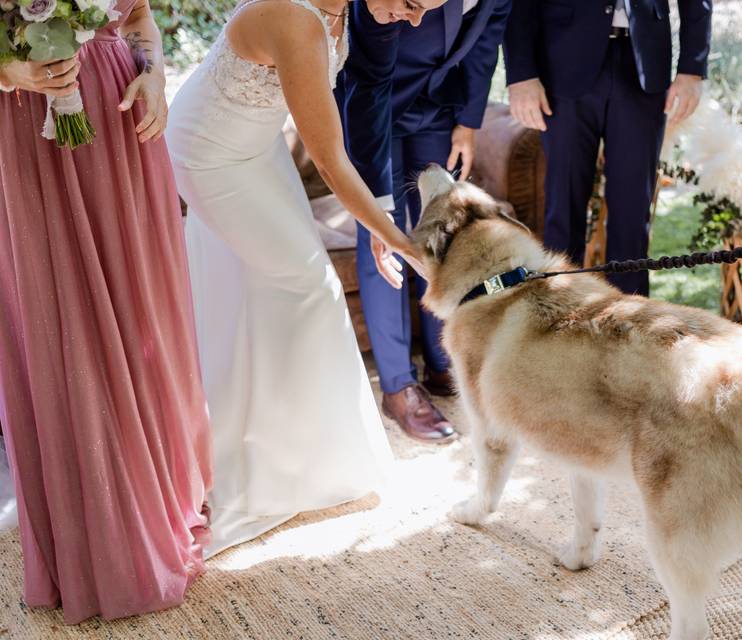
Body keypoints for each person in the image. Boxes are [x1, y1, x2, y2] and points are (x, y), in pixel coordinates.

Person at [166, 0, 443, 557]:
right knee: (307, 288)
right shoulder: (295, 17)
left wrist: (382, 225)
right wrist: (401, 243)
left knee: (254, 290)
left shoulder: (348, 11)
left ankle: (279, 452)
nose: (416, 21)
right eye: (413, 4)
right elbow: (331, 159)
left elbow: (364, 107)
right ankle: (262, 469)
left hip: (257, 142)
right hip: (211, 152)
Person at [0, 0, 212, 623]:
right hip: (23, 126)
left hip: (118, 125)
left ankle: (156, 499)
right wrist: (12, 73)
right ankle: (98, 534)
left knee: (136, 313)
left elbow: (139, 17)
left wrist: (153, 75)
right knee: (58, 311)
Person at [340, 0, 510, 443]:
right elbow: (367, 72)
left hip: (440, 106)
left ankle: (441, 361)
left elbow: (486, 36)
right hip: (372, 101)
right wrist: (376, 200)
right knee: (382, 234)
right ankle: (398, 387)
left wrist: (469, 121)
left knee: (445, 232)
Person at [504, 0, 711, 295]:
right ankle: (557, 328)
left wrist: (692, 67)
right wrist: (521, 73)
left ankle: (629, 329)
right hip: (562, 65)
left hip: (644, 66)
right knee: (562, 212)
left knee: (632, 217)